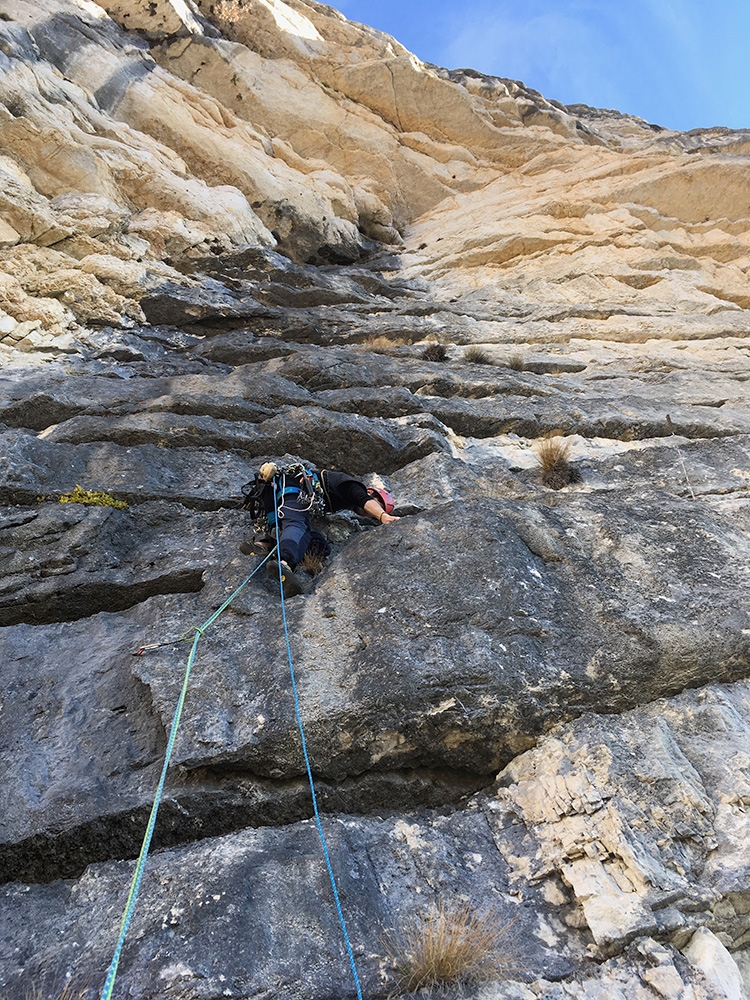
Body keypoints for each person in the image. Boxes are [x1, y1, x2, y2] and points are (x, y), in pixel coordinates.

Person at [240, 461, 399, 597]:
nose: (369, 514)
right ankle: (284, 561)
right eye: (378, 504)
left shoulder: (343, 498)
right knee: (297, 525)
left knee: (318, 545)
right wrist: (383, 516)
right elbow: (362, 499)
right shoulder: (353, 485)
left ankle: (264, 545)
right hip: (293, 490)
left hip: (277, 495)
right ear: (371, 493)